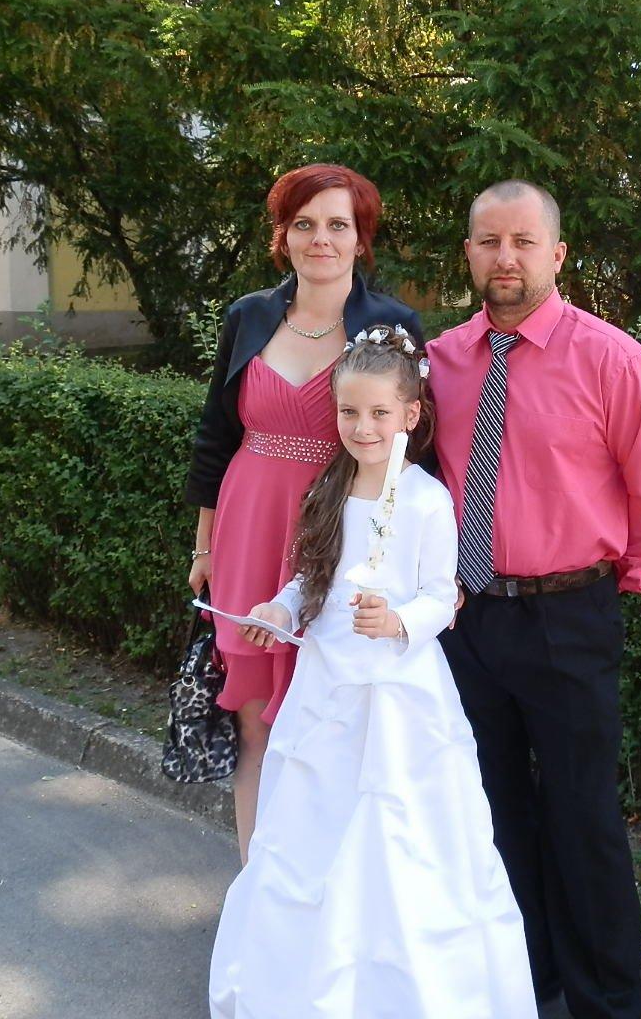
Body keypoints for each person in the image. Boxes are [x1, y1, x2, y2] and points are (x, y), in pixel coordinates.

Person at [207, 326, 537, 1019]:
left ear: (410, 414)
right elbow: (311, 578)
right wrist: (279, 607)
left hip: (399, 693)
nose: (363, 427)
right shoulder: (328, 490)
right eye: (349, 412)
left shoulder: (427, 500)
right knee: (317, 822)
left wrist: (399, 622)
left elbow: (441, 596)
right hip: (325, 688)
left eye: (380, 413)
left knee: (396, 828)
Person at [428, 180, 641, 1019]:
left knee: (582, 819)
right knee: (492, 811)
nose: (505, 257)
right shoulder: (439, 362)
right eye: (489, 241)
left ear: (557, 254)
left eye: (523, 241)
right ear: (469, 254)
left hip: (569, 616)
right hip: (469, 620)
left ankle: (608, 1002)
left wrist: (626, 573)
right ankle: (522, 983)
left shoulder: (612, 359)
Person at [184, 164, 422, 861]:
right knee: (256, 724)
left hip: (338, 535)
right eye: (304, 224)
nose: (321, 238)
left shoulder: (392, 326)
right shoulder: (248, 316)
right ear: (283, 235)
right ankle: (257, 887)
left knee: (333, 725)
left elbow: (412, 451)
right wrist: (204, 548)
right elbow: (214, 439)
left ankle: (326, 894)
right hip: (249, 530)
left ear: (361, 239)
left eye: (338, 224)